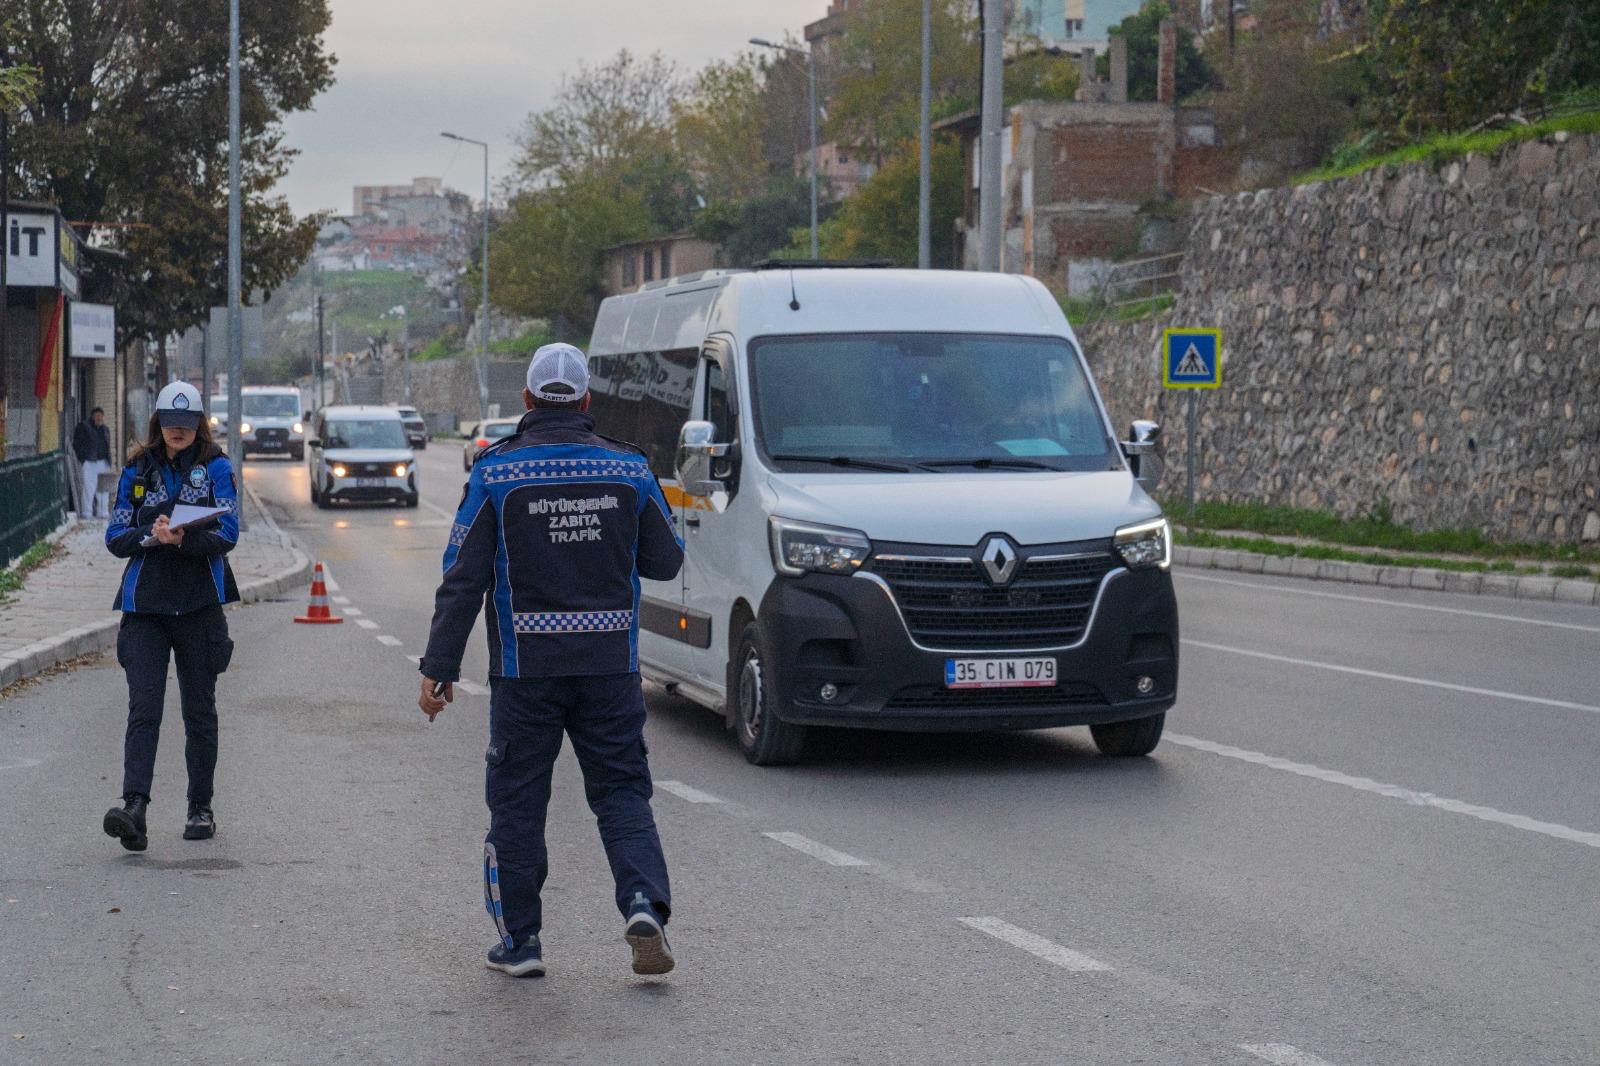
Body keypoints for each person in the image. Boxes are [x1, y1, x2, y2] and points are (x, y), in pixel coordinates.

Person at [418, 342, 684, 979]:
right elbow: (667, 560)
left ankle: (522, 944)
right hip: (609, 670)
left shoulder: (495, 472)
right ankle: (643, 903)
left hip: (524, 673)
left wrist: (439, 669)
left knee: (517, 806)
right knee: (622, 794)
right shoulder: (629, 469)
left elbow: (462, 577)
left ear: (528, 400)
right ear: (588, 402)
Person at [102, 382, 240, 851]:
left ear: (199, 423)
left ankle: (200, 807)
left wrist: (184, 539)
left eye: (186, 423)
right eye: (169, 422)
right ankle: (134, 808)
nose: (177, 431)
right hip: (145, 608)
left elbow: (229, 531)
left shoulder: (216, 467)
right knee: (144, 709)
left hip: (199, 605)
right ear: (157, 421)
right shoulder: (137, 468)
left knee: (199, 712)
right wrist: (152, 533)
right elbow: (115, 535)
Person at [73, 406, 113, 518]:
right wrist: (83, 459)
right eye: (97, 415)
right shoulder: (84, 427)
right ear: (92, 416)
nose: (99, 418)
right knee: (88, 488)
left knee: (104, 489)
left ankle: (103, 512)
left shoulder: (105, 429)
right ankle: (87, 513)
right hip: (90, 462)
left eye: (101, 415)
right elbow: (76, 444)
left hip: (103, 462)